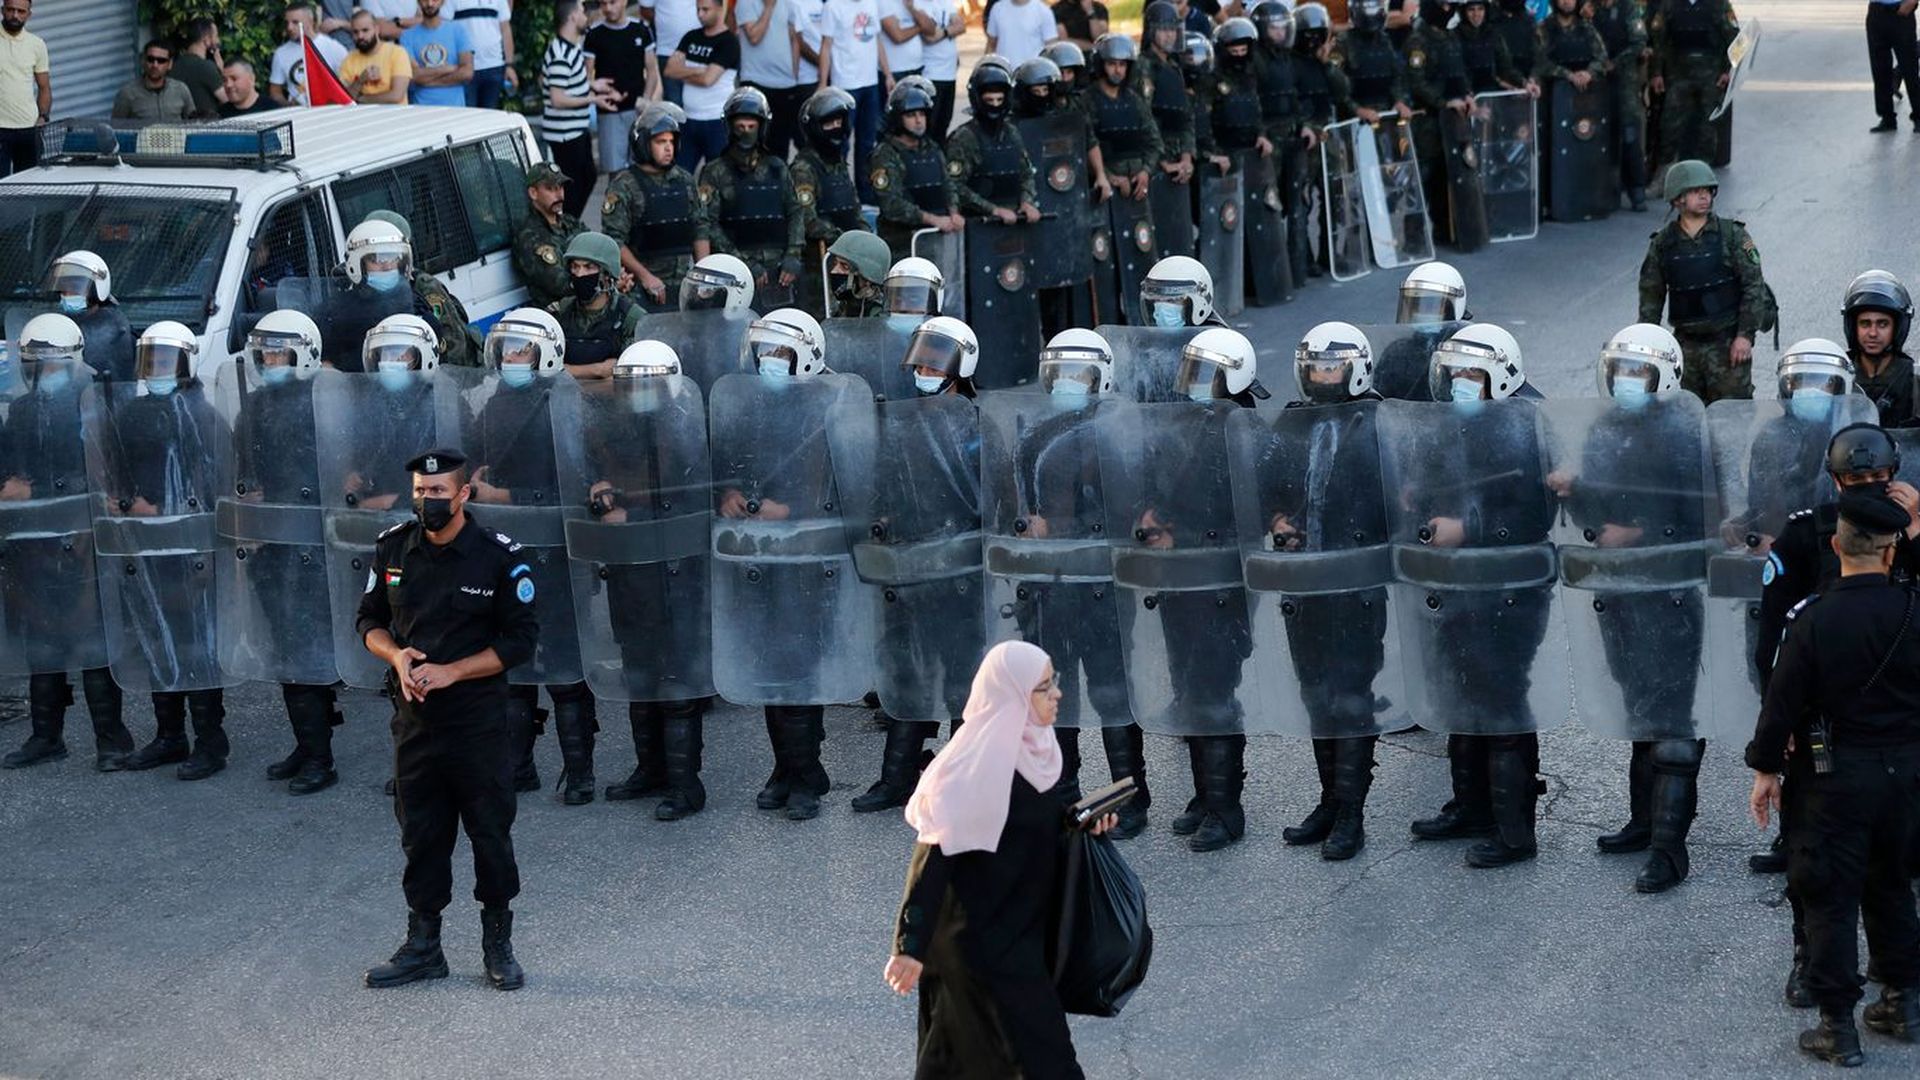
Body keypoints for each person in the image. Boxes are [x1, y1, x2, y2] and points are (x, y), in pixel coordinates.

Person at [1748, 487, 1920, 1067]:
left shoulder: (1813, 618)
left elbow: (1781, 701)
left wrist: (1766, 768)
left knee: (1827, 897)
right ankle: (1902, 1001)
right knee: (1892, 883)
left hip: (1832, 777)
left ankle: (1837, 1027)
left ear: (1835, 547)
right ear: (1891, 552)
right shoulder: (1914, 608)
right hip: (1904, 776)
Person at [885, 640, 1112, 1078]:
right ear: (1011, 696)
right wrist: (908, 948)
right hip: (978, 946)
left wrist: (1087, 823)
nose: (1057, 695)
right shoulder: (968, 771)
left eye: (1053, 684)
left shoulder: (1039, 751)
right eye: (1043, 688)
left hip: (1022, 930)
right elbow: (930, 863)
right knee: (1043, 1060)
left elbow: (1050, 824)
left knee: (968, 1057)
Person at [356, 448, 536, 992]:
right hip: (415, 724)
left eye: (438, 492)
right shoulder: (392, 548)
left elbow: (520, 642)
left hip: (478, 724)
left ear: (463, 495)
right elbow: (368, 620)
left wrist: (455, 671)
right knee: (422, 838)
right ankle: (423, 946)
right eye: (420, 491)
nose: (426, 500)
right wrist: (397, 657)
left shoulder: (500, 558)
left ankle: (497, 944)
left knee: (490, 836)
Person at [1555, 323, 1712, 893]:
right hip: (1618, 592)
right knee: (1638, 707)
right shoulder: (1603, 429)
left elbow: (1704, 514)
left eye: (1638, 372)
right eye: (1620, 371)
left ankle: (1670, 851)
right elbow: (1596, 519)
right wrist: (1576, 493)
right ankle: (1643, 822)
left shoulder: (1686, 434)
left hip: (1670, 594)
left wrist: (1639, 533)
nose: (1626, 382)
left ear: (1663, 375)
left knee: (1671, 717)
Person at [1403, 323, 1556, 868]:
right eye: (1454, 376)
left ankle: (1515, 831)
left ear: (1501, 377)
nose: (1459, 385)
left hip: (1511, 588)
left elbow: (1535, 514)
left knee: (1501, 699)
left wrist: (1468, 525)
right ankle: (1470, 807)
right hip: (1456, 581)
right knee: (1458, 694)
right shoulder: (1453, 423)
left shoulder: (1527, 426)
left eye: (1471, 376)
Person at [845, 316, 984, 813]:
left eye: (933, 363)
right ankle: (896, 777)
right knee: (905, 673)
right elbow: (881, 481)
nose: (922, 371)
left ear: (959, 365)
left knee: (959, 679)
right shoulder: (902, 417)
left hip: (958, 572)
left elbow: (990, 498)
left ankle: (966, 782)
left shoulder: (977, 421)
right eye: (919, 362)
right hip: (906, 567)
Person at [1266, 321, 1392, 860]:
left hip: (1357, 583)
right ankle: (1327, 799)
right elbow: (1265, 483)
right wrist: (1277, 519)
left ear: (1355, 369)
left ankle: (1351, 814)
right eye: (1314, 366)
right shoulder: (1293, 422)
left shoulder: (1381, 424)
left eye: (1331, 367)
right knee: (1316, 693)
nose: (1321, 376)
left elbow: (1400, 503)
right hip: (1304, 580)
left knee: (1350, 695)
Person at [0, 314, 135, 773]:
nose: (43, 374)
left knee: (93, 642)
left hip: (82, 540)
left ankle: (112, 740)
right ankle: (45, 737)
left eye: (52, 365)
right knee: (43, 644)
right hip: (32, 544)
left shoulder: (94, 407)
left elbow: (103, 473)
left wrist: (33, 490)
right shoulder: (18, 412)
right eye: (36, 365)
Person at [225, 309, 347, 795]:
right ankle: (306, 744)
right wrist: (247, 496)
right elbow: (243, 463)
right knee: (285, 644)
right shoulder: (254, 406)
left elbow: (343, 466)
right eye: (264, 351)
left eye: (279, 351)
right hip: (272, 541)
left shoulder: (327, 402)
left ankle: (321, 757)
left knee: (309, 643)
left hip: (314, 543)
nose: (269, 359)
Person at [105, 322, 233, 783]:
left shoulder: (202, 415)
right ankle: (168, 734)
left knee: (196, 640)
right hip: (147, 543)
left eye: (165, 361)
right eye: (150, 361)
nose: (156, 370)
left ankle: (209, 741)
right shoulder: (130, 414)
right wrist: (125, 505)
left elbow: (217, 480)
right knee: (156, 636)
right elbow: (113, 470)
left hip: (191, 546)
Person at [1636, 159, 1770, 404]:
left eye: (1707, 191)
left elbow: (1753, 286)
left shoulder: (1732, 236)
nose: (1704, 197)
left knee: (1733, 417)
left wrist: (1745, 336)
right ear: (1677, 199)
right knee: (1686, 416)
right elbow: (1650, 298)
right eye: (1696, 191)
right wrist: (1649, 348)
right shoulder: (1663, 244)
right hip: (1685, 346)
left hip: (1727, 345)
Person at [697, 87, 805, 309]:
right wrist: (744, 264)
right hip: (736, 273)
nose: (745, 132)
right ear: (729, 127)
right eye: (740, 127)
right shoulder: (714, 172)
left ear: (762, 127)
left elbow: (795, 212)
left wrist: (793, 255)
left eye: (751, 127)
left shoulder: (778, 168)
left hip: (781, 273)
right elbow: (708, 224)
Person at [602, 106, 705, 311]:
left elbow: (699, 226)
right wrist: (646, 277)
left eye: (671, 142)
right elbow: (614, 240)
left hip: (685, 285)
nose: (669, 148)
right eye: (660, 142)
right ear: (643, 145)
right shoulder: (624, 185)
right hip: (644, 288)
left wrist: (703, 275)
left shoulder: (684, 179)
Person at [356, 211, 480, 369]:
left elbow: (454, 343)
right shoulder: (359, 289)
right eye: (375, 257)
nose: (385, 264)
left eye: (390, 255)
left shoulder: (423, 286)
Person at [791, 87, 868, 310]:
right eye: (828, 124)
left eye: (839, 122)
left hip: (851, 262)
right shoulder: (804, 169)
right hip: (821, 266)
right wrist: (848, 241)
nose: (836, 128)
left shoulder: (838, 164)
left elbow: (854, 209)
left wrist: (865, 238)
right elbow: (808, 221)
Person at [870, 79, 963, 260]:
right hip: (902, 245)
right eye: (911, 115)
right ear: (898, 118)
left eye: (922, 114)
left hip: (936, 240)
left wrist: (953, 211)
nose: (919, 121)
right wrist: (933, 219)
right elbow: (892, 204)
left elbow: (948, 184)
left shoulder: (932, 148)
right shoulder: (885, 154)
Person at [946, 63, 1041, 225]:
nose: (995, 105)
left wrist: (1027, 202)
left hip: (1015, 218)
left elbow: (1027, 173)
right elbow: (954, 186)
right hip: (979, 222)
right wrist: (992, 210)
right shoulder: (964, 138)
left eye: (1000, 100)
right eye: (989, 100)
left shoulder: (1012, 133)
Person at [543, 0, 614, 217]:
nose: (586, 16)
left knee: (588, 178)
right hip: (565, 134)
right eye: (583, 11)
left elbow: (569, 84)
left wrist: (593, 86)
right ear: (573, 16)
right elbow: (557, 98)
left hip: (576, 130)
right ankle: (566, 228)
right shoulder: (560, 53)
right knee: (573, 187)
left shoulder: (571, 48)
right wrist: (593, 100)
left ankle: (570, 225)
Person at [1081, 33, 1164, 214]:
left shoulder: (1134, 99)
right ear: (1101, 65)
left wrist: (1145, 172)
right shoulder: (1087, 101)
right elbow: (1084, 147)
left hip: (1137, 189)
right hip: (1103, 192)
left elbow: (1155, 142)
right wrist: (1109, 177)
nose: (1117, 70)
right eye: (1111, 64)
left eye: (1122, 65)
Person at [1647, 0, 1736, 168]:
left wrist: (1727, 70)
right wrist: (1657, 73)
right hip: (1679, 74)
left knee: (1707, 126)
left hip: (1710, 74)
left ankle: (1702, 173)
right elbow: (1659, 40)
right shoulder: (1670, 4)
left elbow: (1735, 38)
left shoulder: (1718, 4)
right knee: (1669, 124)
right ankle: (1666, 171)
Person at [818, 0, 890, 201]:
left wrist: (888, 73)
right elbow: (826, 46)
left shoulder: (871, 4)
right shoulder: (833, 6)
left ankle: (865, 192)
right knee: (840, 143)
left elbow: (877, 41)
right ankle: (838, 191)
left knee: (867, 142)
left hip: (870, 83)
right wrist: (823, 82)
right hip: (845, 85)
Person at [548, 232, 646, 376]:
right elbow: (545, 371)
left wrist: (569, 371)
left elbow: (629, 379)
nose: (580, 274)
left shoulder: (631, 318)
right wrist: (598, 370)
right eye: (575, 267)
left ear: (607, 275)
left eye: (588, 267)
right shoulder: (560, 313)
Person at [1590, 0, 1651, 211]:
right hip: (1598, 81)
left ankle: (1636, 190)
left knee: (1629, 134)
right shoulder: (1591, 9)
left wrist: (1615, 63)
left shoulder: (1629, 8)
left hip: (1625, 81)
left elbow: (1639, 42)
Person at [666, 0, 740, 171]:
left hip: (716, 122)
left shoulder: (729, 42)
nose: (700, 14)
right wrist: (698, 71)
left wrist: (684, 71)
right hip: (689, 119)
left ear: (721, 8)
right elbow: (669, 70)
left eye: (705, 9)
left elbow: (708, 80)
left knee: (717, 179)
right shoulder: (690, 36)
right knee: (678, 175)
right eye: (698, 9)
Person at [587, 0, 659, 175]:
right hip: (609, 113)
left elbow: (652, 70)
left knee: (642, 170)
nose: (608, 8)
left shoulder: (641, 29)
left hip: (637, 111)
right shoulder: (594, 33)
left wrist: (646, 99)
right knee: (616, 175)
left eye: (613, 2)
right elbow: (587, 74)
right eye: (603, 4)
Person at [1842, 269, 1917, 429]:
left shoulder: (1914, 382)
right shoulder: (1838, 375)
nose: (1873, 333)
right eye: (1865, 323)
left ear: (1897, 328)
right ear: (1853, 327)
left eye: (1883, 324)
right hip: (1843, 453)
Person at [46, 250, 134, 381]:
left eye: (76, 288)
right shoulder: (69, 319)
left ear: (97, 289)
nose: (67, 294)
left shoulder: (108, 327)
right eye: (63, 288)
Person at [510, 161, 586, 307]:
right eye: (551, 189)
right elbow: (560, 284)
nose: (559, 195)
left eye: (561, 187)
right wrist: (601, 281)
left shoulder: (569, 222)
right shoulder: (529, 236)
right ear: (533, 193)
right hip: (561, 315)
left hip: (588, 301)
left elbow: (598, 251)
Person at [736, 0, 801, 155]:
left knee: (780, 147)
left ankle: (777, 179)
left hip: (786, 84)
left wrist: (794, 73)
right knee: (753, 145)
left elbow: (794, 38)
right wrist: (769, 7)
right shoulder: (745, 3)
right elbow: (754, 37)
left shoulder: (788, 3)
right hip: (755, 82)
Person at [1338, 0, 1414, 126]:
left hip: (1386, 116)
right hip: (1354, 122)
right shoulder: (1342, 43)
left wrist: (1399, 101)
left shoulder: (1385, 40)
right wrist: (1358, 110)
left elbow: (1397, 76)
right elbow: (1338, 89)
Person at [0, 0, 51, 178]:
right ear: (2, 10)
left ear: (29, 14)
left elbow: (44, 87)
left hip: (29, 130)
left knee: (29, 188)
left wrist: (43, 117)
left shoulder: (36, 45)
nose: (15, 15)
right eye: (10, 10)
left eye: (21, 11)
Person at [270, 3, 351, 107]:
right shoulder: (281, 53)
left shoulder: (334, 48)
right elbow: (275, 92)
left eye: (295, 22)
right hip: (299, 115)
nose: (289, 28)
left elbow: (348, 84)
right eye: (287, 23)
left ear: (310, 21)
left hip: (331, 110)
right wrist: (289, 105)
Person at [400, 0, 472, 105]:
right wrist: (448, 69)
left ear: (443, 2)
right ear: (418, 2)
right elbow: (412, 76)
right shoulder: (407, 36)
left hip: (455, 109)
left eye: (435, 0)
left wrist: (428, 80)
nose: (430, 4)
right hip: (422, 109)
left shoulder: (458, 30)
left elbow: (467, 73)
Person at [1455, 0, 1532, 95]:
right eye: (1471, 10)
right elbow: (1457, 73)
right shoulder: (1455, 36)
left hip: (1490, 93)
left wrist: (1524, 83)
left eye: (1480, 9)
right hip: (1466, 96)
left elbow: (1506, 67)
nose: (1476, 14)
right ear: (1464, 12)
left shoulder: (1493, 33)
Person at [450, 0, 517, 108]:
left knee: (490, 120)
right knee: (468, 119)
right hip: (465, 69)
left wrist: (509, 66)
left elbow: (505, 29)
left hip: (494, 67)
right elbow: (444, 28)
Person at [1867, 0, 1920, 133]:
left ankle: (1918, 116)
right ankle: (1887, 117)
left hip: (1901, 11)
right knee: (1880, 69)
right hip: (1876, 11)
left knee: (1910, 68)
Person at [342, 9, 415, 104]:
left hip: (394, 117)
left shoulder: (397, 53)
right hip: (362, 117)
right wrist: (360, 81)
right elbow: (344, 98)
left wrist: (360, 99)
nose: (360, 36)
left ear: (377, 29)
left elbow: (396, 96)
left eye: (365, 30)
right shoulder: (349, 59)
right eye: (355, 32)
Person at [111, 41, 196, 121]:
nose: (155, 65)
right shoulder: (127, 94)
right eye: (150, 59)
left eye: (161, 61)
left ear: (170, 64)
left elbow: (193, 125)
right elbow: (116, 129)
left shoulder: (181, 90)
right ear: (143, 61)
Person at [920, 0, 965, 139]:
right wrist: (951, 30)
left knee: (944, 123)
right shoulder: (918, 4)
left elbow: (961, 26)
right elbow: (929, 37)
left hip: (949, 74)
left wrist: (943, 32)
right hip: (930, 74)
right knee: (929, 126)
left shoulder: (946, 2)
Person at [643, 0, 702, 105]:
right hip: (667, 50)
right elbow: (645, 9)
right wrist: (666, 22)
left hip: (699, 50)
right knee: (674, 104)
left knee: (698, 101)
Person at [825, 230, 892, 316]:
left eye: (845, 267)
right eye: (835, 264)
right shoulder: (844, 307)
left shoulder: (882, 315)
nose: (834, 271)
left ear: (867, 276)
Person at [173, 18, 228, 118]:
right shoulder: (206, 66)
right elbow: (228, 100)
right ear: (206, 39)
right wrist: (222, 70)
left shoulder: (175, 65)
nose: (218, 40)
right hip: (206, 127)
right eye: (216, 36)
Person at [987, 0, 1062, 64]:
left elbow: (1051, 50)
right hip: (1003, 76)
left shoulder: (1044, 11)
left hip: (1033, 77)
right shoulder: (997, 9)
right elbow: (990, 45)